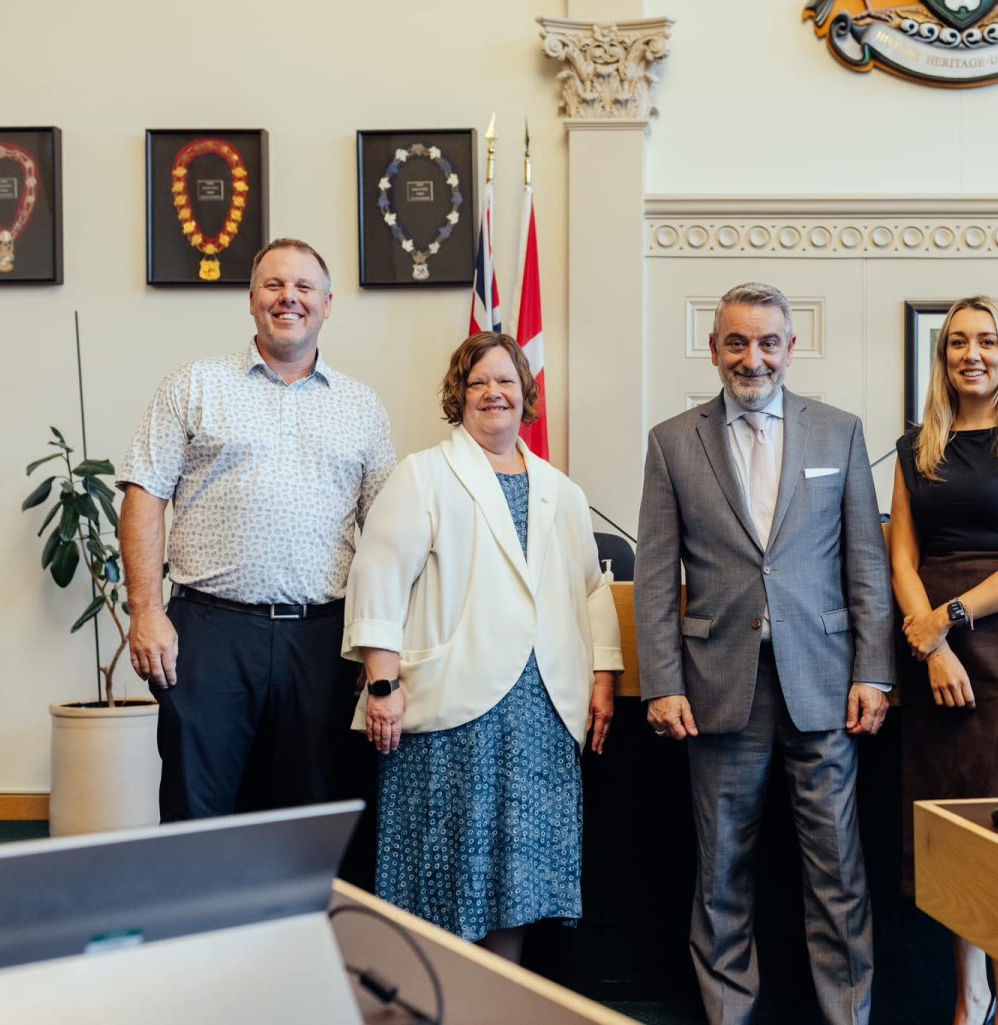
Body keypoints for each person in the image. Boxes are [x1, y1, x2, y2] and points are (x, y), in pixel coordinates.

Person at [635, 282, 894, 1025]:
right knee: (721, 874)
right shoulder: (671, 441)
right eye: (738, 342)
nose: (754, 358)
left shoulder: (838, 432)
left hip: (824, 683)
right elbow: (655, 574)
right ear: (715, 349)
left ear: (789, 348)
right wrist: (661, 681)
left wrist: (874, 668)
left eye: (769, 342)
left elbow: (864, 562)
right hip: (717, 688)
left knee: (838, 873)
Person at [343, 332, 622, 963]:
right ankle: (431, 998)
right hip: (451, 711)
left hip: (541, 712)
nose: (493, 393)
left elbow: (591, 590)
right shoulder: (422, 475)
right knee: (442, 869)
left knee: (516, 879)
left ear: (527, 394)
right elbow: (378, 581)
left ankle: (496, 994)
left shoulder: (561, 488)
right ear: (458, 396)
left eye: (506, 381)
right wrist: (382, 687)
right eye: (478, 383)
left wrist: (603, 677)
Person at [119, 238, 396, 843]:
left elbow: (386, 537)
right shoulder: (194, 385)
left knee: (311, 821)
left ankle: (298, 940)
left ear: (327, 304)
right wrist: (145, 611)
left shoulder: (362, 408)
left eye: (303, 288)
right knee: (198, 813)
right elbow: (143, 497)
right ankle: (199, 940)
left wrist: (379, 647)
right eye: (273, 285)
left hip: (324, 642)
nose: (288, 298)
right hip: (209, 635)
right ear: (250, 300)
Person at [887, 296, 998, 1025]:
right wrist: (931, 643)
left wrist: (948, 619)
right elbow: (901, 554)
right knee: (951, 823)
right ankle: (969, 1001)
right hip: (929, 646)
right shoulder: (916, 447)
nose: (973, 353)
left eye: (988, 341)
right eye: (958, 341)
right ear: (943, 356)